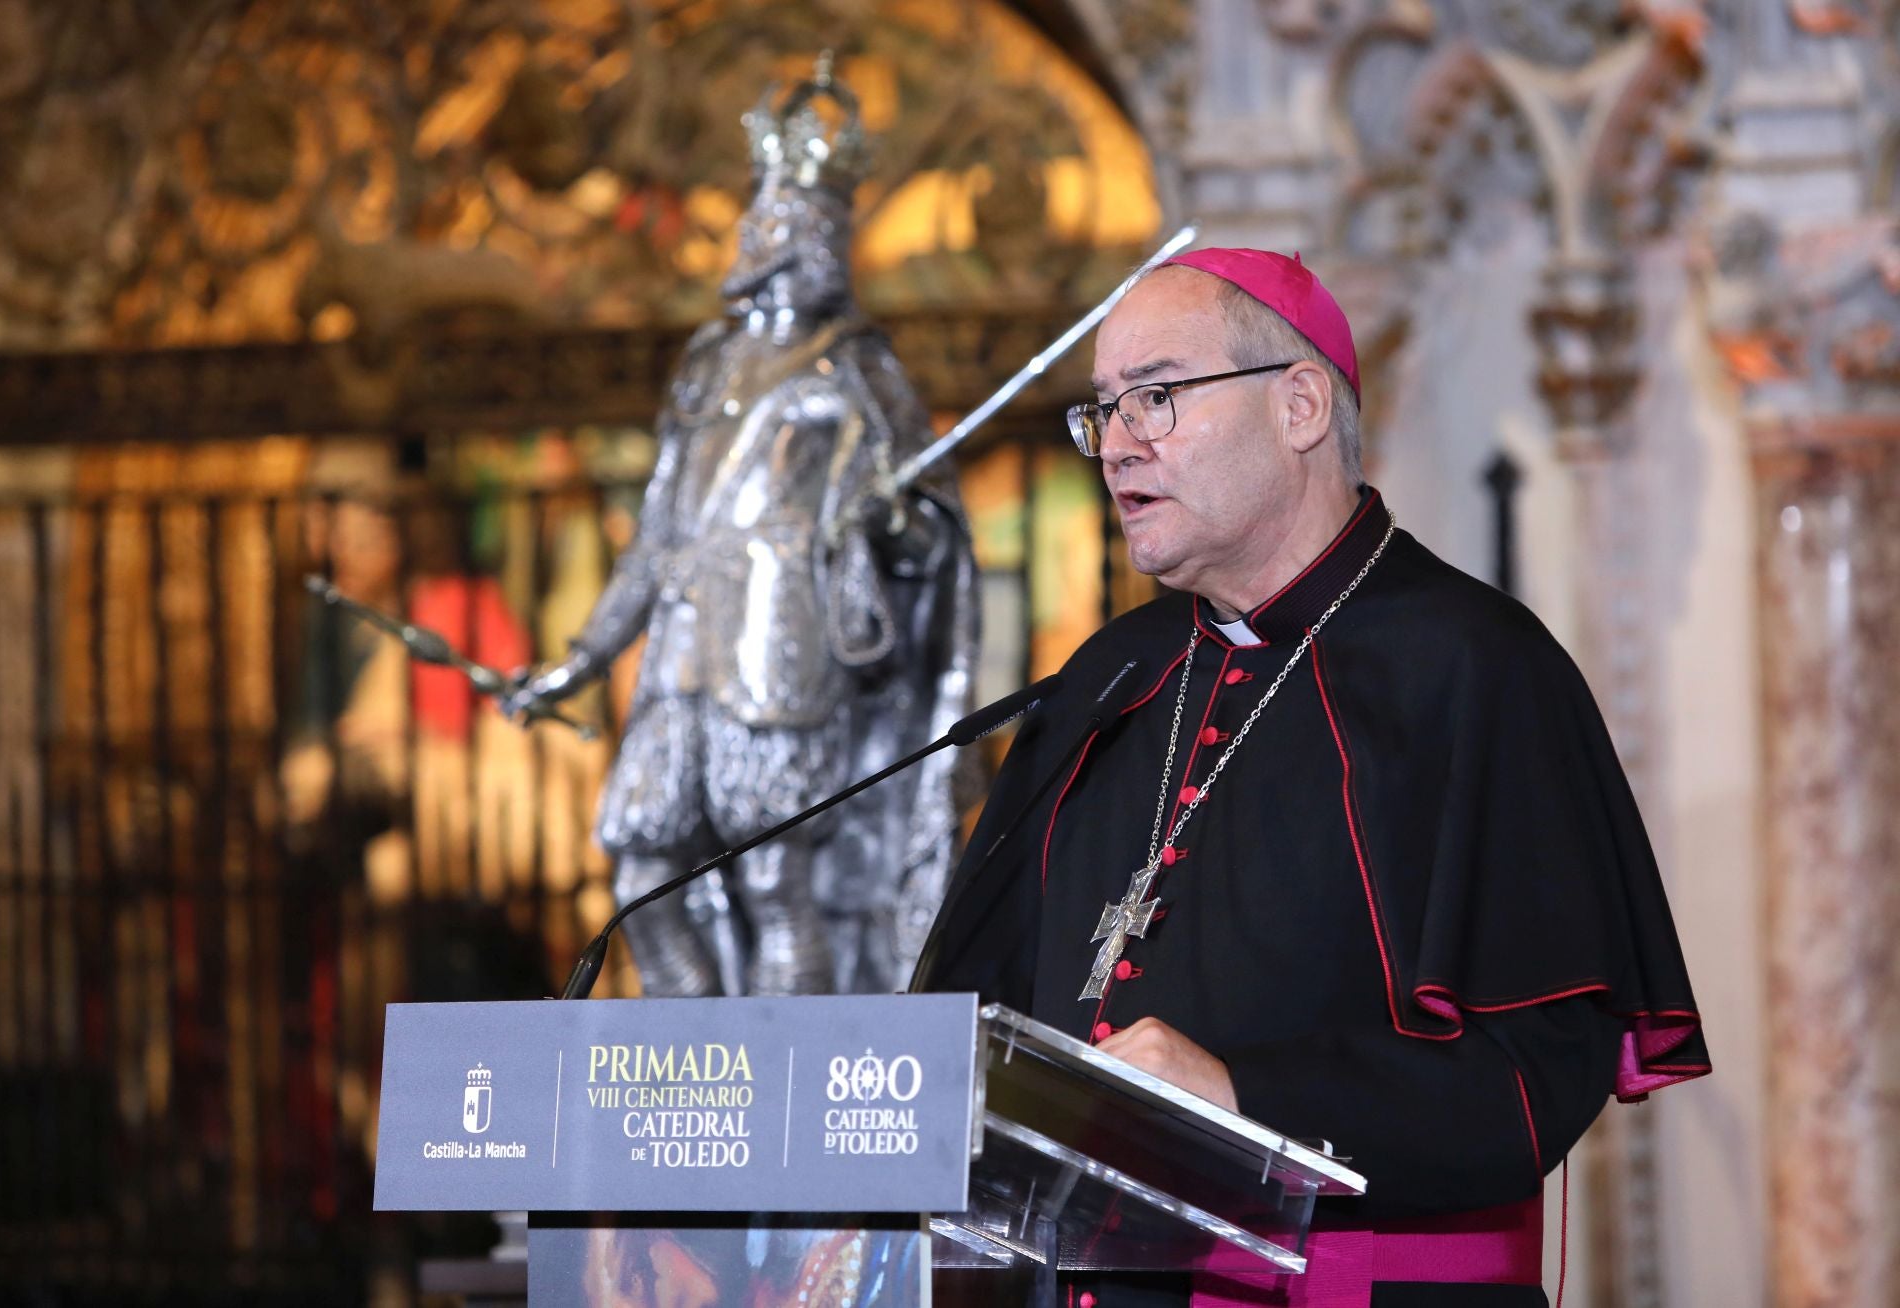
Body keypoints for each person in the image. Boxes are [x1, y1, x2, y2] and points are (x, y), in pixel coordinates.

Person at [915, 248, 1708, 1307]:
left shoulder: (1475, 667)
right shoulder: (1115, 676)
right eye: (1101, 411)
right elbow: (972, 1022)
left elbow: (1537, 1072)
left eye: (1157, 397)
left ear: (1298, 406)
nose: (1115, 446)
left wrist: (1241, 1095)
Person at [504, 61, 977, 998]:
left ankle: (775, 1089)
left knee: (771, 875)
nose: (773, 237)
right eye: (768, 221)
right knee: (643, 869)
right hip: (683, 652)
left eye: (793, 226)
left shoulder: (860, 369)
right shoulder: (708, 365)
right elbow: (653, 539)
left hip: (781, 649)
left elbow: (929, 537)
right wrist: (578, 663)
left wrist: (889, 521)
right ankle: (690, 1051)